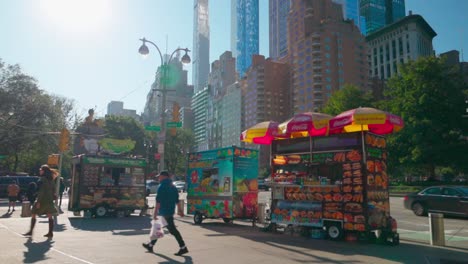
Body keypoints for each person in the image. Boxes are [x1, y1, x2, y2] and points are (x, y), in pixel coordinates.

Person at [142, 171, 188, 256]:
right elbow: (177, 200)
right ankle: (150, 245)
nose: (158, 178)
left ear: (164, 177)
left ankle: (183, 247)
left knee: (172, 230)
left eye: (159, 177)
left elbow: (158, 202)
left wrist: (155, 214)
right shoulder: (173, 187)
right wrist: (180, 211)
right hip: (169, 212)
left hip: (164, 212)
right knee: (158, 228)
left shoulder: (161, 186)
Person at [23, 164, 58, 238]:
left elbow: (41, 191)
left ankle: (31, 231)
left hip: (42, 200)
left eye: (40, 170)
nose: (39, 171)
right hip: (49, 200)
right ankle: (50, 232)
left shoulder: (42, 179)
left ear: (43, 171)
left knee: (33, 213)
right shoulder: (51, 179)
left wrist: (38, 201)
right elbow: (54, 189)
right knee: (49, 216)